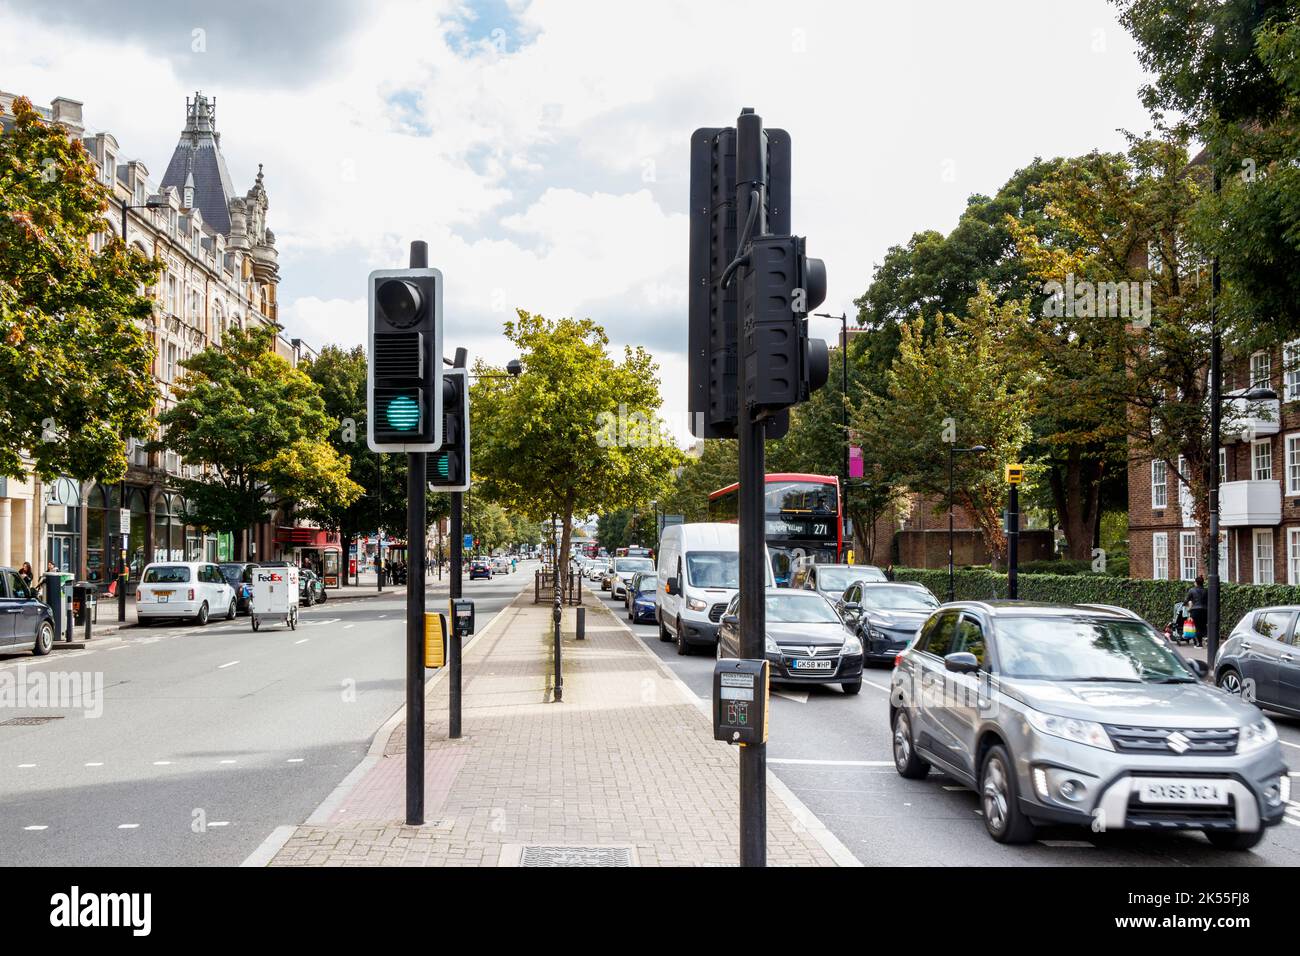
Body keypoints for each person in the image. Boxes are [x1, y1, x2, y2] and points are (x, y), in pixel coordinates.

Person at [1185, 575, 1208, 648]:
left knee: (1197, 627)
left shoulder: (1192, 590)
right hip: (1205, 610)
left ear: (1196, 583)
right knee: (1203, 625)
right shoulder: (1206, 590)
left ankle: (1199, 644)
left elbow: (1186, 600)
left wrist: (1185, 604)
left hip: (1195, 610)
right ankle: (1206, 637)